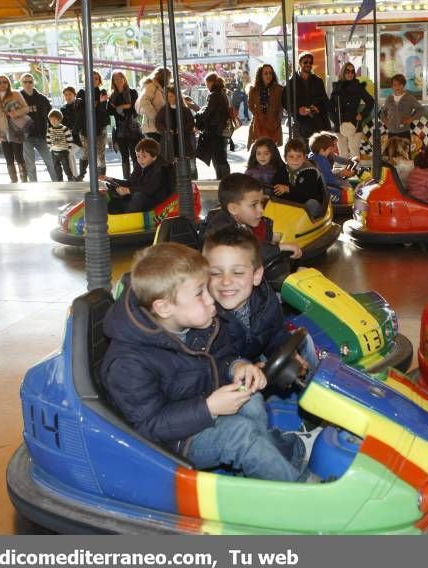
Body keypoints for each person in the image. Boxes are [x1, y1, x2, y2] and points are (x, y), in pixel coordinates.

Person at [99, 243, 306, 482]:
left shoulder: (195, 325)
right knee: (239, 435)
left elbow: (221, 358)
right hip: (170, 442)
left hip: (199, 405)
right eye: (200, 293)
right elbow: (149, 425)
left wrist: (237, 367)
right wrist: (209, 408)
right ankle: (300, 494)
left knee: (252, 401)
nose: (211, 301)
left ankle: (275, 460)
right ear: (164, 307)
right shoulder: (128, 362)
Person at [203, 225, 315, 376]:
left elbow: (276, 334)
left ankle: (314, 386)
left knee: (304, 341)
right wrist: (242, 367)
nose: (226, 281)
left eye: (237, 272)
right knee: (253, 400)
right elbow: (213, 363)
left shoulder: (266, 299)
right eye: (215, 273)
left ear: (256, 276)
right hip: (228, 376)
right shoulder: (206, 317)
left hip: (258, 358)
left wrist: (288, 354)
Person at [202, 172, 302, 263]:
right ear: (233, 208)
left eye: (261, 203)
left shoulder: (240, 222)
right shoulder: (221, 230)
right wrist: (279, 248)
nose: (261, 210)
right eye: (253, 205)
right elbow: (248, 253)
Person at [98, 138, 169, 214]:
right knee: (109, 191)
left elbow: (150, 189)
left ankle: (125, 218)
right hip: (139, 198)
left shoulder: (160, 169)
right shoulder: (140, 166)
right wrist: (111, 180)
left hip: (154, 201)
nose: (140, 160)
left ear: (154, 157)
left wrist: (128, 190)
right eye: (138, 156)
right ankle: (106, 213)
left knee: (138, 197)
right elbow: (131, 182)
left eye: (144, 156)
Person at [282, 52, 330, 143]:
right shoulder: (291, 82)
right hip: (300, 122)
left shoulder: (318, 81)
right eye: (305, 62)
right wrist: (297, 110)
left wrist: (318, 108)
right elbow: (285, 102)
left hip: (318, 121)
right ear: (300, 63)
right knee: (304, 148)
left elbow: (324, 100)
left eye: (310, 63)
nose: (308, 64)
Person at [272, 138, 326, 218]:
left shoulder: (310, 172)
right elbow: (274, 186)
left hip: (307, 204)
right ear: (285, 158)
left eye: (299, 156)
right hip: (290, 206)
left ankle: (300, 223)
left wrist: (288, 189)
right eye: (291, 156)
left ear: (304, 157)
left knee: (312, 203)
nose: (295, 160)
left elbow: (309, 193)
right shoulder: (282, 171)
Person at [0, 74, 29, 183]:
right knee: (8, 158)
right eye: (0, 82)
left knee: (19, 156)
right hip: (2, 132)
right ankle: (14, 182)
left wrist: (16, 113)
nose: (2, 84)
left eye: (5, 82)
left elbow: (26, 109)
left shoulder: (15, 94)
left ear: (8, 83)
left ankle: (24, 181)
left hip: (15, 129)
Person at [330, 62, 374, 160]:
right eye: (347, 71)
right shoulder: (337, 87)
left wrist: (362, 115)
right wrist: (335, 120)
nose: (350, 73)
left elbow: (370, 102)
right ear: (343, 72)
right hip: (340, 124)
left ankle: (356, 174)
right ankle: (345, 174)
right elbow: (330, 106)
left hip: (355, 123)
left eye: (352, 71)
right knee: (343, 153)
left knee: (354, 151)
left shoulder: (358, 87)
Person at [19, 73, 57, 182]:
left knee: (50, 162)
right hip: (26, 136)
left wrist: (51, 130)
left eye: (30, 81)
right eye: (25, 82)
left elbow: (51, 115)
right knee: (30, 165)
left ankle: (57, 183)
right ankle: (34, 187)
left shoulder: (42, 98)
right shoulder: (18, 98)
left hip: (41, 135)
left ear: (33, 83)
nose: (28, 84)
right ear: (21, 83)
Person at [108, 71, 141, 180]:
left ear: (124, 79)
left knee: (135, 155)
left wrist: (118, 107)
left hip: (132, 128)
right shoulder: (113, 95)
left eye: (119, 78)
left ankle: (136, 178)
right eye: (115, 79)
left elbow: (135, 109)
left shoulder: (132, 92)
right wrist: (124, 106)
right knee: (124, 157)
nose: (117, 81)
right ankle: (126, 179)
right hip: (120, 129)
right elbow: (110, 111)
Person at [197, 72, 230, 180]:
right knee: (221, 157)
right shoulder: (222, 93)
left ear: (211, 83)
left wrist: (198, 114)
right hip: (221, 130)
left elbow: (208, 113)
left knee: (218, 158)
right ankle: (224, 181)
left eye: (207, 84)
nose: (207, 87)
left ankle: (222, 181)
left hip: (215, 131)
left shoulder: (214, 95)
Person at [308, 131, 354, 204]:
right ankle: (345, 205)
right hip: (322, 188)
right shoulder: (322, 160)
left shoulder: (312, 156)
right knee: (345, 193)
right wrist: (340, 186)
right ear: (322, 150)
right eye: (329, 149)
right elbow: (328, 179)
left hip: (317, 186)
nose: (331, 151)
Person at [155, 86, 195, 167]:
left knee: (188, 164)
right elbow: (158, 123)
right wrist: (166, 130)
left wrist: (181, 130)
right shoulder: (164, 110)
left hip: (183, 140)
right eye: (168, 96)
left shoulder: (185, 110)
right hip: (169, 141)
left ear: (177, 96)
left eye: (171, 96)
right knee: (170, 163)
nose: (169, 98)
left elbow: (191, 123)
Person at [246, 64, 284, 149]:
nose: (268, 75)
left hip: (273, 126)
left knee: (271, 152)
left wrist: (277, 117)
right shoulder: (254, 90)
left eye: (270, 73)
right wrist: (258, 115)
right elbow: (250, 105)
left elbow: (281, 106)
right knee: (260, 151)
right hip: (259, 126)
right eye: (265, 73)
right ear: (261, 75)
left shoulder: (279, 89)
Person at [380, 74, 424, 140]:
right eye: (394, 85)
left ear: (403, 85)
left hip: (404, 132)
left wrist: (410, 119)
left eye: (399, 84)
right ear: (392, 86)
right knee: (392, 150)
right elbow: (382, 112)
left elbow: (421, 109)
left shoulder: (409, 98)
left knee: (404, 150)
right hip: (391, 133)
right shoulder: (389, 98)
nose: (397, 87)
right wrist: (386, 122)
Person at [138, 67, 170, 143]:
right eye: (169, 77)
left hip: (157, 127)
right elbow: (144, 101)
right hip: (152, 128)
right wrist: (156, 117)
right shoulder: (152, 86)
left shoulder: (161, 88)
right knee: (157, 152)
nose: (169, 80)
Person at [46, 109, 75, 182]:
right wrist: (50, 148)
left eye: (55, 120)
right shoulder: (50, 130)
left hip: (63, 151)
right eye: (51, 120)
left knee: (66, 167)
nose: (53, 122)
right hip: (54, 152)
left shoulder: (64, 129)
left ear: (59, 120)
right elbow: (48, 139)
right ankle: (60, 180)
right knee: (57, 167)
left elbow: (69, 139)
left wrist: (68, 149)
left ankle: (70, 178)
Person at [60, 86, 81, 179]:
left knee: (69, 153)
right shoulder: (62, 109)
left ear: (74, 95)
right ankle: (74, 176)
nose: (68, 96)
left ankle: (74, 176)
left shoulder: (79, 106)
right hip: (69, 137)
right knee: (68, 154)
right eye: (66, 95)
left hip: (80, 137)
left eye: (70, 94)